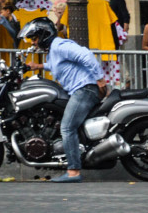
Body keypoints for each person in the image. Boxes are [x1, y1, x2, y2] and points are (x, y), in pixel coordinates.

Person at [20, 18, 104, 182]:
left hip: (85, 88)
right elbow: (57, 65)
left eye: (35, 38)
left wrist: (100, 79)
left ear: (45, 35)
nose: (34, 43)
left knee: (67, 127)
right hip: (79, 89)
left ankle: (73, 172)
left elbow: (86, 55)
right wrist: (38, 67)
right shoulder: (53, 51)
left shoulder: (60, 45)